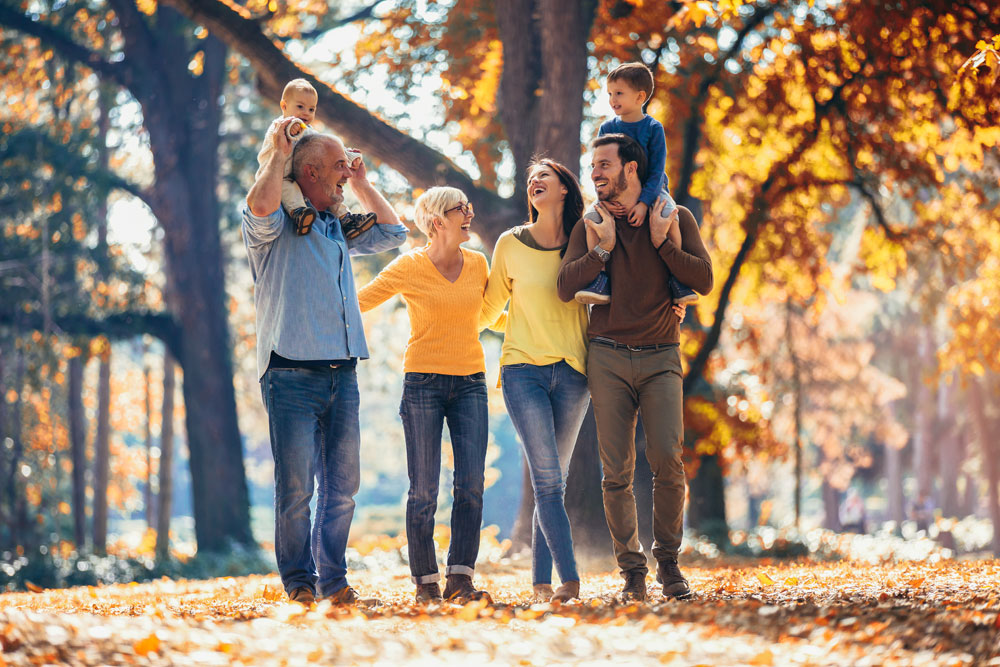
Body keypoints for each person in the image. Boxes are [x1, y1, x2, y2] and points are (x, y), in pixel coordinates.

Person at [244, 126, 408, 606]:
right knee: (297, 489)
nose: (345, 171)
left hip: (343, 372)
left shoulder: (336, 225)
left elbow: (393, 232)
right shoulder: (276, 225)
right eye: (338, 165)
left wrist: (359, 182)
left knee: (343, 488)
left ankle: (333, 581)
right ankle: (299, 581)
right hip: (290, 371)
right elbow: (258, 206)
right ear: (309, 170)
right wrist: (277, 156)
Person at [557, 134, 713, 602]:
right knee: (616, 471)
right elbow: (566, 286)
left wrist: (664, 245)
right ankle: (632, 571)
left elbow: (702, 279)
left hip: (662, 354)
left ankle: (668, 563)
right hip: (606, 355)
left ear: (631, 170)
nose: (595, 174)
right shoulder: (591, 222)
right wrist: (601, 249)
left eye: (604, 164)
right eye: (593, 166)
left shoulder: (674, 216)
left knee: (668, 459)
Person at [357, 187, 496, 604]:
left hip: (471, 382)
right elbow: (359, 300)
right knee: (424, 490)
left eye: (469, 207)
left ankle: (461, 580)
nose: (470, 214)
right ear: (437, 221)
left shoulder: (478, 264)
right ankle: (426, 583)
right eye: (461, 209)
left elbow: (497, 312)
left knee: (471, 485)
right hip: (422, 385)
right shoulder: (409, 266)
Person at [575, 62, 697, 308]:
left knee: (670, 216)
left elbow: (656, 171)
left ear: (640, 96)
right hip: (614, 191)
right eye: (609, 94)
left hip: (653, 190)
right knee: (592, 219)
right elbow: (604, 167)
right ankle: (600, 278)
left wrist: (643, 204)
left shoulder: (653, 129)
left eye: (618, 93)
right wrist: (606, 202)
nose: (612, 99)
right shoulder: (608, 128)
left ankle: (677, 279)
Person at [255, 78, 375, 238]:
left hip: (299, 174)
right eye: (300, 107)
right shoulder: (280, 126)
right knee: (289, 189)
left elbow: (326, 149)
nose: (306, 113)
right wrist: (293, 126)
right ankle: (299, 214)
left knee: (328, 188)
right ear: (284, 106)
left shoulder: (308, 131)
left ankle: (346, 220)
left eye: (311, 109)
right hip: (278, 176)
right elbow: (289, 132)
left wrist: (349, 156)